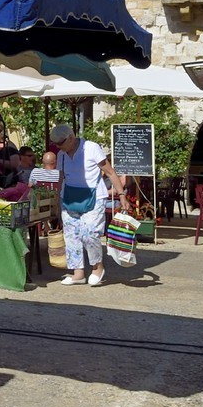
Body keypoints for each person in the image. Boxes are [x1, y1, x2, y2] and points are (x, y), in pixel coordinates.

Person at [52, 123, 125, 287]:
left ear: (71, 137)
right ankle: (78, 273)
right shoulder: (62, 154)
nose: (59, 147)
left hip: (94, 196)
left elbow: (110, 172)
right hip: (70, 197)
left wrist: (121, 194)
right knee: (71, 236)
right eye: (56, 144)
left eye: (61, 143)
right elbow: (60, 177)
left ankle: (97, 268)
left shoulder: (91, 148)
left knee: (90, 233)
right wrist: (58, 199)